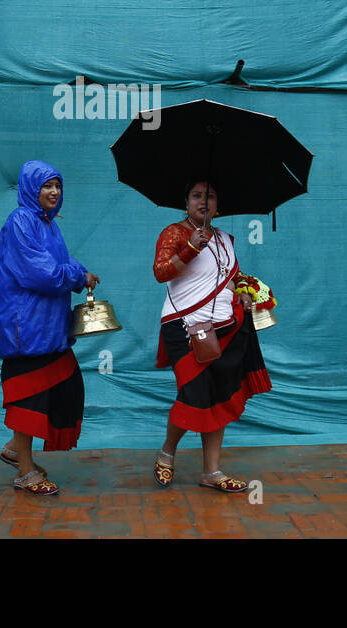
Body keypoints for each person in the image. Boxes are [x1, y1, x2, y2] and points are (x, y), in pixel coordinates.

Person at [152, 180, 272, 493]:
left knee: (219, 395)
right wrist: (191, 247)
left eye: (211, 196)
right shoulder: (174, 233)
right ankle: (167, 453)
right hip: (185, 327)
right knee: (193, 393)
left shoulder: (224, 239)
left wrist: (245, 292)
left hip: (225, 326)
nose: (204, 202)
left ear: (219, 205)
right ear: (186, 202)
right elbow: (161, 272)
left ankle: (212, 472)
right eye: (196, 196)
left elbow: (232, 278)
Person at [0, 161, 99, 496]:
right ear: (30, 189)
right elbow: (41, 274)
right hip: (26, 329)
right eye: (46, 186)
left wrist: (78, 272)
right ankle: (25, 472)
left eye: (57, 186)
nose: (54, 192)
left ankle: (13, 449)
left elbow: (59, 265)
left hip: (51, 328)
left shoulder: (49, 224)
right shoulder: (21, 221)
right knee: (29, 400)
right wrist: (78, 276)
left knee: (65, 387)